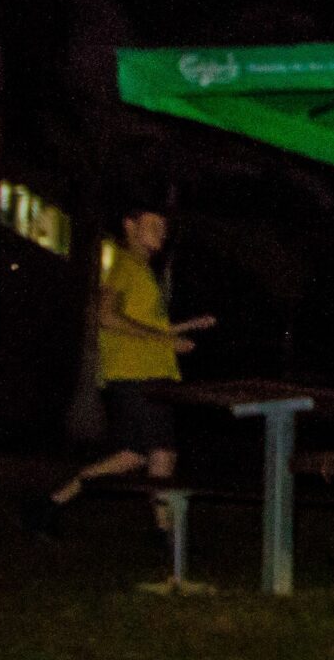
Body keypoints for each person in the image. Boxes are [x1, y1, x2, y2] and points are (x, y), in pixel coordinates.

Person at [25, 206, 214, 536]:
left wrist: (182, 327)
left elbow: (140, 324)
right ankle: (167, 535)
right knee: (163, 453)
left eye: (164, 227)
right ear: (130, 226)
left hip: (140, 373)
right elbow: (107, 317)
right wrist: (163, 337)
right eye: (153, 225)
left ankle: (50, 503)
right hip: (138, 376)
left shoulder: (141, 270)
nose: (161, 232)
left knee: (133, 455)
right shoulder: (126, 265)